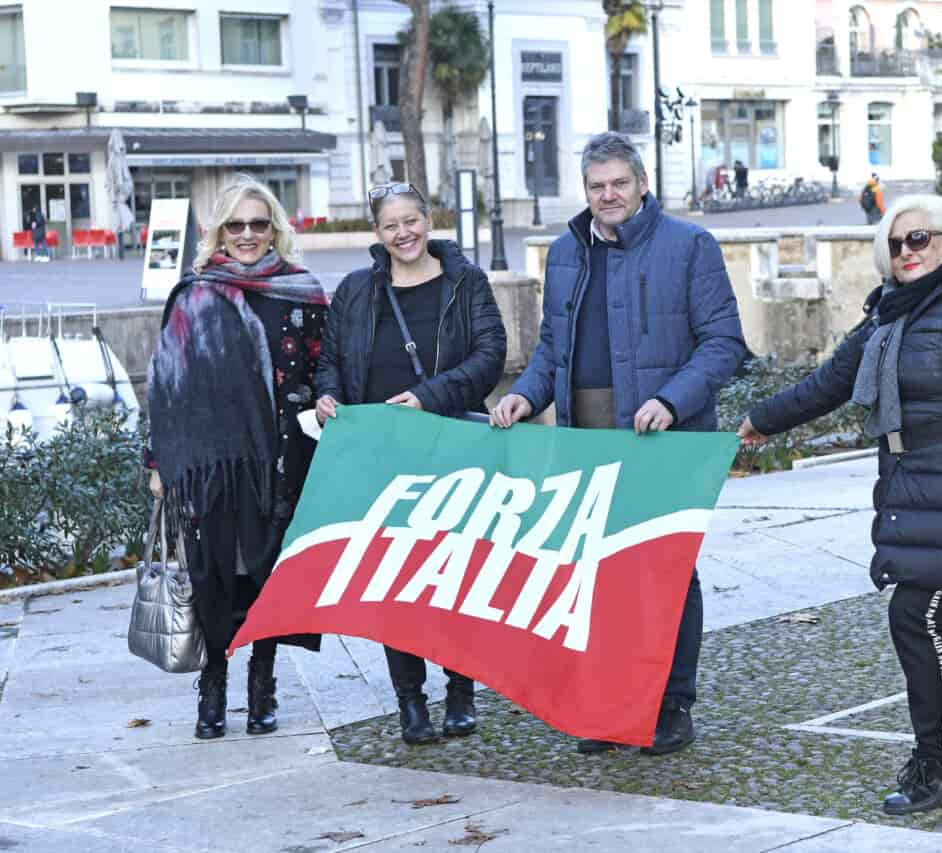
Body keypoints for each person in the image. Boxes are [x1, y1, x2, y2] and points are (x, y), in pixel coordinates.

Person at [738, 194, 942, 814]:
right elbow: (830, 382)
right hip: (913, 490)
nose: (907, 253)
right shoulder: (888, 314)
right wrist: (759, 422)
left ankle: (939, 758)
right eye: (897, 244)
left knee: (917, 617)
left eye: (920, 239)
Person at [490, 131, 747, 756]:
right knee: (595, 573)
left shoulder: (690, 246)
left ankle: (671, 705)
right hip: (585, 439)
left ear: (642, 184)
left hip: (665, 437)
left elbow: (724, 344)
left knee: (664, 572)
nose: (608, 195)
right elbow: (553, 348)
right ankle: (609, 705)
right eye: (597, 186)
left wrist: (671, 399)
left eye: (619, 184)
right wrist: (527, 395)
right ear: (586, 191)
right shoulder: (565, 253)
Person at [314, 182, 507, 745]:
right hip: (382, 457)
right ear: (378, 233)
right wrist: (326, 396)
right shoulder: (355, 291)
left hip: (453, 449)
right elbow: (330, 363)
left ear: (429, 220)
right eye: (390, 225)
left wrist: (429, 396)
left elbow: (489, 357)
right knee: (396, 583)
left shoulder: (465, 282)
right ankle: (410, 702)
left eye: (411, 221)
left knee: (453, 574)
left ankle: (462, 693)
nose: (403, 233)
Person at [146, 175, 328, 740]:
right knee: (214, 576)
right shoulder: (194, 295)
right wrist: (158, 463)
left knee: (269, 577)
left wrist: (331, 398)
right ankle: (214, 683)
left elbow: (326, 367)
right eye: (236, 224)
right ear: (219, 231)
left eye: (258, 223)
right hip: (212, 465)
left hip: (284, 459)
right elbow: (167, 387)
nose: (248, 234)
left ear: (274, 227)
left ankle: (263, 683)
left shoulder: (303, 291)